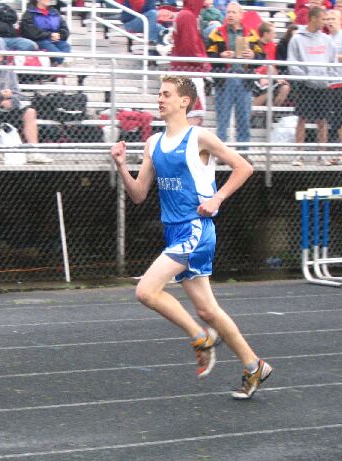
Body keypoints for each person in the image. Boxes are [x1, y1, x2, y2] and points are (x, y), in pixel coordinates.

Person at [110, 75, 271, 400]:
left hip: (196, 228)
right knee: (208, 310)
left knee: (146, 291)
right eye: (159, 94)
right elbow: (139, 194)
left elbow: (244, 167)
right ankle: (254, 365)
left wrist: (217, 198)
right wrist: (121, 166)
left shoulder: (200, 137)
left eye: (166, 94)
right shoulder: (153, 143)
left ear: (184, 101)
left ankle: (202, 338)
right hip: (174, 232)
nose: (160, 99)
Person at [0, 37, 52, 164]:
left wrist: (12, 101)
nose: (0, 54)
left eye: (2, 51)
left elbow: (17, 93)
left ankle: (34, 151)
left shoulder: (9, 70)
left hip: (8, 107)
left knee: (30, 112)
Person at [207, 2, 264, 144]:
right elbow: (208, 56)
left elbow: (262, 57)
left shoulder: (251, 34)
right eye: (228, 12)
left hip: (244, 81)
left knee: (243, 122)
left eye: (233, 12)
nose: (230, 15)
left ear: (241, 15)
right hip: (224, 81)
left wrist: (253, 56)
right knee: (222, 123)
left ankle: (242, 153)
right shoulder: (216, 32)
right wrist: (220, 57)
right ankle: (220, 153)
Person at [288, 6, 336, 165]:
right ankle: (298, 155)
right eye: (323, 19)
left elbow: (332, 61)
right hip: (305, 86)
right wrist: (306, 77)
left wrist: (327, 78)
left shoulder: (327, 39)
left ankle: (322, 155)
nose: (325, 22)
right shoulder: (297, 39)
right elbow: (292, 63)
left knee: (322, 121)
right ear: (314, 18)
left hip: (323, 86)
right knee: (301, 119)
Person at [170, 4, 210, 125]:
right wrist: (203, 63)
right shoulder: (188, 16)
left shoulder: (184, 14)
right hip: (190, 73)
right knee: (194, 117)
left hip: (185, 72)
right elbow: (189, 48)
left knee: (191, 117)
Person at [20, 0, 71, 65]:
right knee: (58, 56)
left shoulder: (55, 12)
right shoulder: (29, 13)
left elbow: (64, 28)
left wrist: (59, 35)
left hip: (55, 40)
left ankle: (56, 64)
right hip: (39, 40)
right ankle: (57, 64)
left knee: (65, 45)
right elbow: (31, 32)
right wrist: (50, 35)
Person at [253, 22, 291, 108]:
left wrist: (277, 78)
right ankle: (249, 113)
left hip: (270, 76)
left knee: (285, 87)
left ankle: (271, 113)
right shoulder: (254, 45)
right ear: (266, 34)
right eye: (273, 33)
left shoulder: (272, 46)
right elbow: (253, 67)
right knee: (267, 91)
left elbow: (273, 66)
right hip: (256, 76)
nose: (275, 35)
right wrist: (262, 77)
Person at [325, 9, 342, 163]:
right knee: (336, 120)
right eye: (328, 19)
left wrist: (334, 57)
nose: (330, 22)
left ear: (340, 20)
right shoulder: (326, 38)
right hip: (330, 83)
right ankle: (340, 150)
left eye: (333, 19)